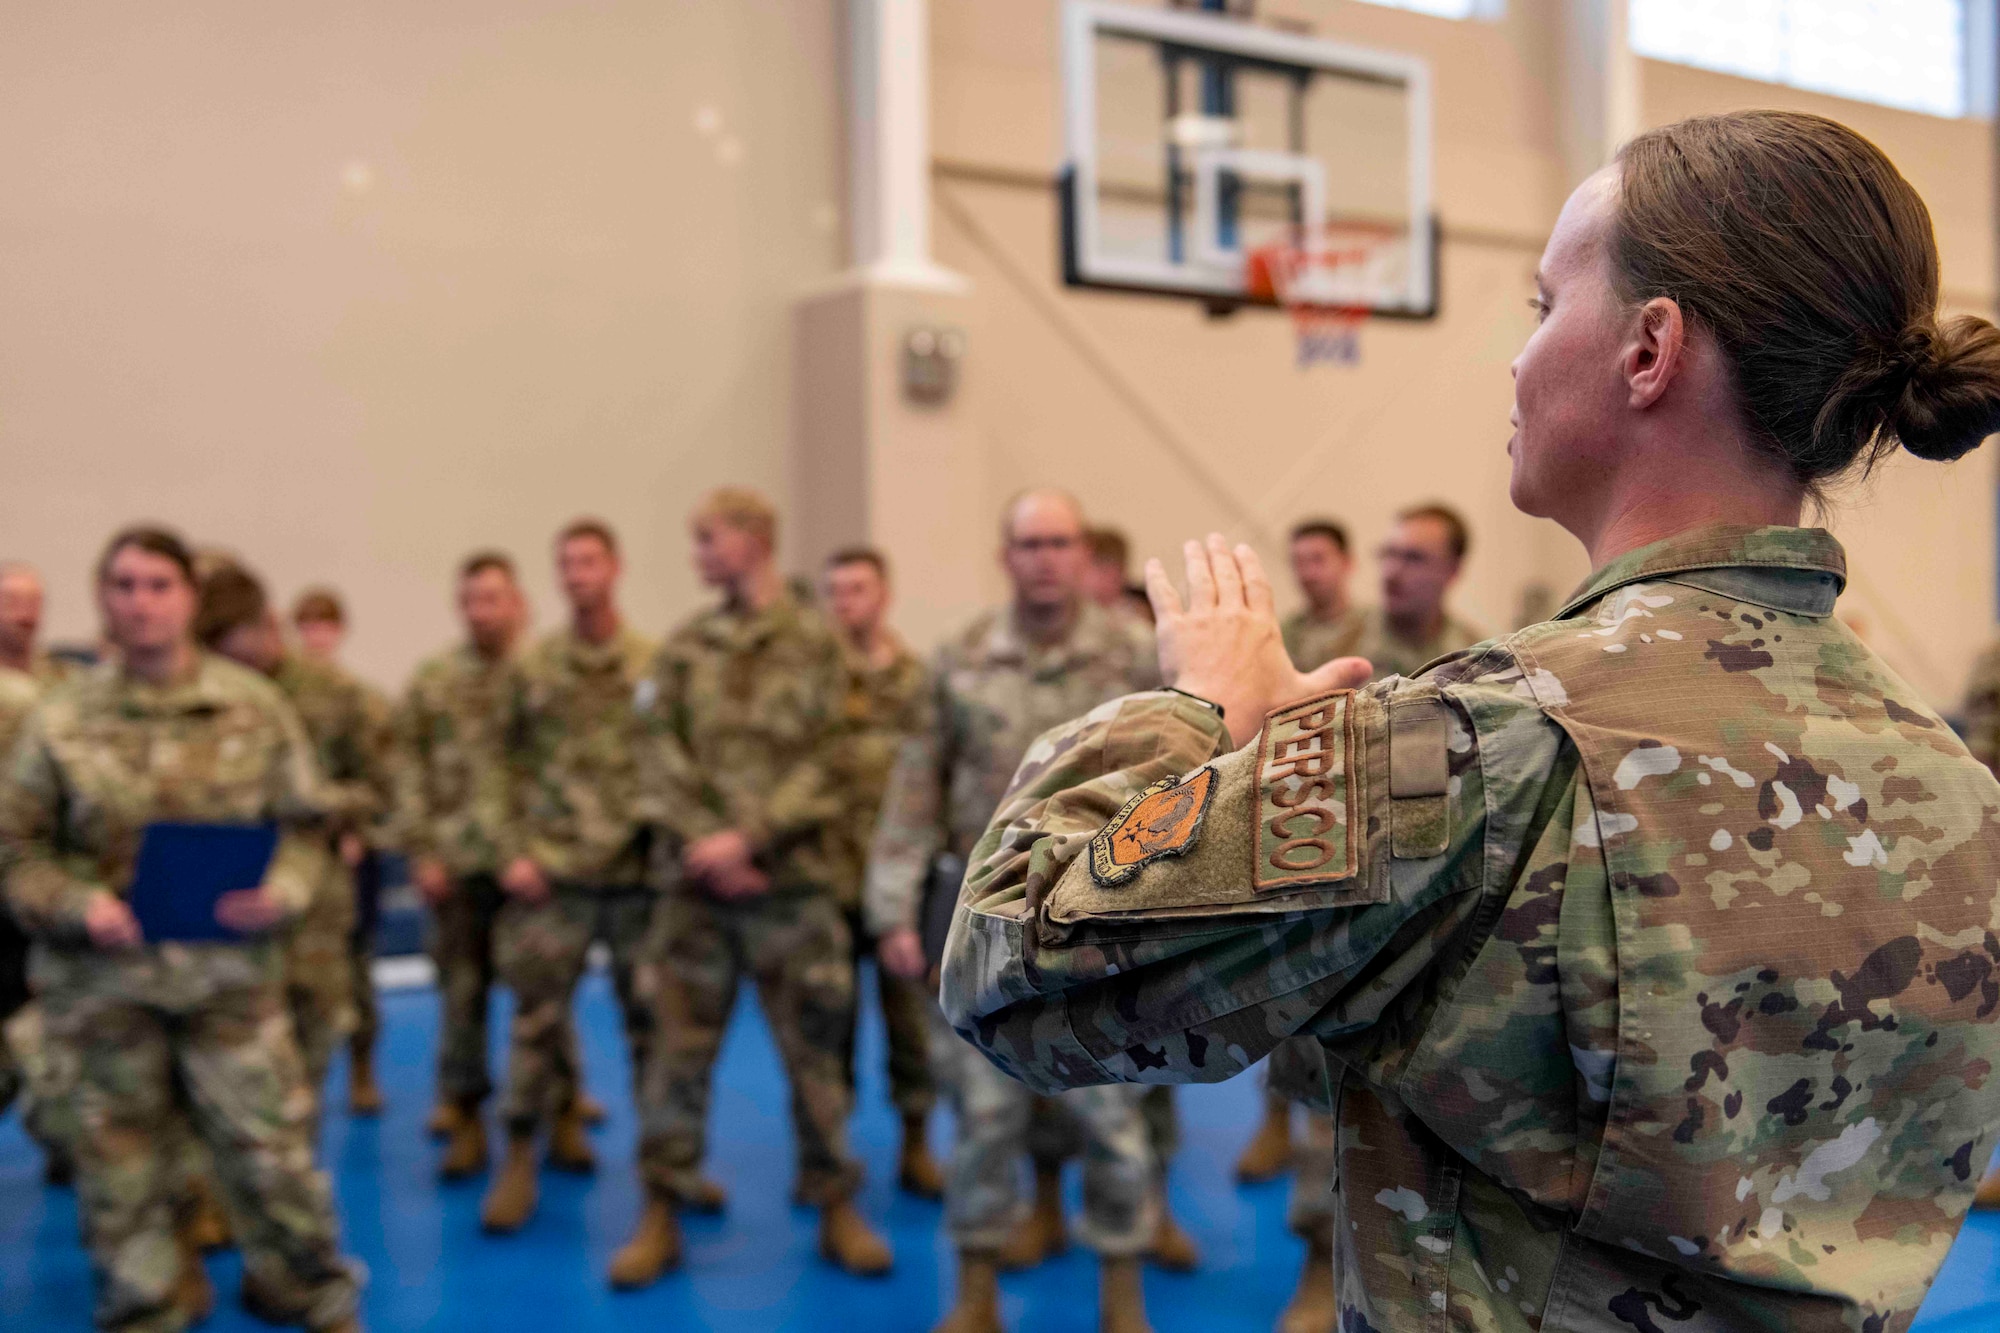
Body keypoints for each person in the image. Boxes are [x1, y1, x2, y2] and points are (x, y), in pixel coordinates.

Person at [941, 110, 2000, 1332]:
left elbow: (1014, 974)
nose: (1516, 356)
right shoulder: (1954, 788)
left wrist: (1191, 711)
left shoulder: (1480, 746)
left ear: (1648, 349)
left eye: (1545, 303)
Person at [0, 526, 363, 1332]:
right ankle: (149, 1308)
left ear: (190, 599)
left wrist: (286, 889)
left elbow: (307, 826)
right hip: (104, 991)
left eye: (160, 584)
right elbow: (15, 850)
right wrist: (74, 903)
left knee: (275, 1165)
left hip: (229, 984)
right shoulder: (58, 720)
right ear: (102, 599)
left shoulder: (256, 706)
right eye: (124, 585)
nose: (142, 602)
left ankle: (307, 1291)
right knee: (120, 1179)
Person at [867, 490, 1162, 1333]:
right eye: (1028, 543)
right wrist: (893, 908)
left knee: (1112, 1115)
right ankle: (977, 1293)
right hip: (987, 921)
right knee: (985, 1115)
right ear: (1007, 555)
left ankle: (1120, 1292)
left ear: (1082, 554)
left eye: (1059, 541)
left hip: (1107, 915)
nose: (1044, 557)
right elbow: (915, 783)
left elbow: (1191, 781)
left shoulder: (1137, 655)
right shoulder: (959, 658)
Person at [613, 487, 889, 1287]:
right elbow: (654, 754)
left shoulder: (817, 643)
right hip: (697, 893)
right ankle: (661, 1206)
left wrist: (753, 834)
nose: (697, 553)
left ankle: (836, 1199)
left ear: (753, 539)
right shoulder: (684, 648)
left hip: (792, 887)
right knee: (674, 1055)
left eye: (708, 538)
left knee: (817, 1058)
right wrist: (712, 845)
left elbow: (837, 757)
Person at [481, 519, 659, 1234]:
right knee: (534, 1021)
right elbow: (494, 765)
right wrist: (507, 851)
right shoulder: (534, 667)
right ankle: (519, 1153)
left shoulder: (652, 662)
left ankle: (663, 1172)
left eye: (589, 560)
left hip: (633, 875)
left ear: (615, 567)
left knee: (652, 1026)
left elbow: (673, 760)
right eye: (566, 563)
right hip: (551, 875)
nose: (577, 573)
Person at [197, 567, 395, 1134]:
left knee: (306, 1046)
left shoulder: (338, 695)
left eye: (233, 647)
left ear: (266, 628)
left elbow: (384, 789)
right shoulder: (207, 692)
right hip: (223, 894)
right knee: (223, 1057)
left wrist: (309, 802)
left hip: (313, 901)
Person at [394, 551, 550, 1180]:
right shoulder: (433, 680)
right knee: (461, 998)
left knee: (543, 1001)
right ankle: (464, 1116)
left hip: (529, 868)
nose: (482, 612)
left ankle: (553, 1114)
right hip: (456, 870)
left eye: (494, 598)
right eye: (472, 600)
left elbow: (568, 772)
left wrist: (550, 854)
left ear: (518, 603)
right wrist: (421, 851)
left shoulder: (544, 678)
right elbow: (408, 770)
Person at [818, 546, 944, 1199]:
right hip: (829, 878)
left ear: (884, 594)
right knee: (826, 1025)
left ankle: (916, 1144)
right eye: (835, 591)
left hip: (901, 884)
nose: (846, 602)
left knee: (910, 1023)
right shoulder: (811, 683)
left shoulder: (920, 681)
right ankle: (829, 1151)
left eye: (857, 588)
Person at [288, 586, 395, 1116]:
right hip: (294, 859)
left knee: (356, 964)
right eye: (306, 625)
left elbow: (379, 781)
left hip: (352, 853)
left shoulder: (362, 699)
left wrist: (356, 833)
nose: (316, 637)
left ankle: (362, 1069)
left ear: (341, 630)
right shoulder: (279, 698)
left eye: (324, 625)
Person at [0, 560, 78, 1185]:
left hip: (43, 886)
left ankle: (66, 1141)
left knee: (54, 1023)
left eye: (33, 601)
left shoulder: (65, 686)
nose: (23, 613)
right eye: (10, 600)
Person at [1275, 520, 1360, 678]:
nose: (1308, 573)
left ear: (1347, 562)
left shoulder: (1382, 627)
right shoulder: (1280, 636)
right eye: (1299, 562)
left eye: (1318, 559)